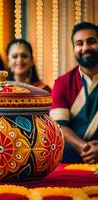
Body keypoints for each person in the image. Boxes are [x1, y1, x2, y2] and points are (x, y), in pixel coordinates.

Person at [50, 22, 98, 163]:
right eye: (79, 43)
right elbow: (59, 126)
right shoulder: (62, 83)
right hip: (71, 158)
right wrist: (84, 147)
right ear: (74, 49)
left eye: (91, 41)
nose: (85, 47)